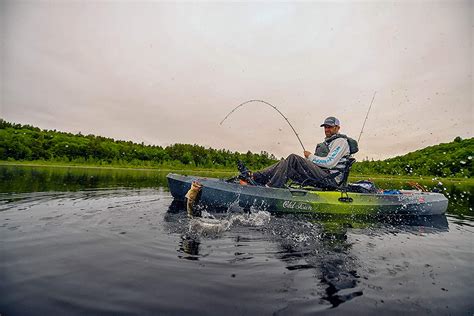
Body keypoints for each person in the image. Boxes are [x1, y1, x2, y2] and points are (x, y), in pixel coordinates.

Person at [250, 116, 358, 188]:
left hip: (331, 180)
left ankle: (270, 189)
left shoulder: (341, 142)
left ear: (337, 128)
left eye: (329, 127)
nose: (326, 129)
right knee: (285, 164)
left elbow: (329, 163)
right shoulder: (329, 142)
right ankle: (254, 177)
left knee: (293, 158)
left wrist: (310, 156)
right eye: (325, 127)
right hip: (323, 176)